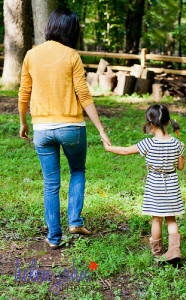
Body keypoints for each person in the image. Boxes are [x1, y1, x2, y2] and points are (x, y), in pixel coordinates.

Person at [18, 8, 111, 249]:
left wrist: (23, 122)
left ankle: (54, 237)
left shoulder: (31, 55)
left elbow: (23, 93)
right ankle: (75, 221)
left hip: (42, 129)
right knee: (77, 170)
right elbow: (84, 94)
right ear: (71, 30)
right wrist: (100, 128)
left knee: (51, 183)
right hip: (72, 128)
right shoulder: (72, 55)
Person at [103, 104, 185, 262]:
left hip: (155, 185)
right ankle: (174, 250)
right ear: (168, 122)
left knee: (156, 219)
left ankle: (158, 253)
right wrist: (181, 151)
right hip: (172, 185)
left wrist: (109, 148)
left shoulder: (148, 144)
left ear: (151, 124)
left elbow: (126, 150)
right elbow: (180, 167)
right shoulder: (176, 143)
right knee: (171, 219)